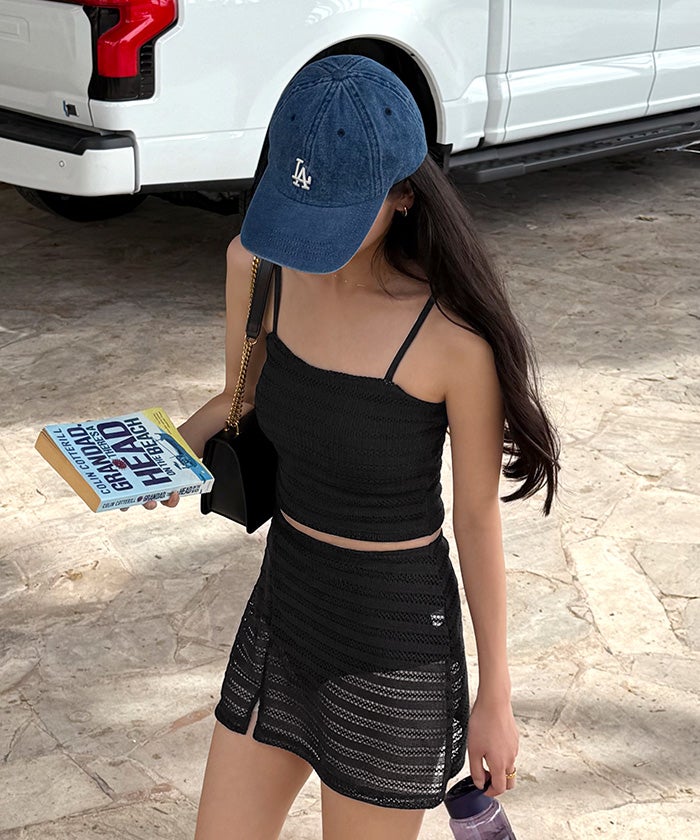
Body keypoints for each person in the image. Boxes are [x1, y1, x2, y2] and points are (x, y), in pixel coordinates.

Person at [144, 55, 560, 840]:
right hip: (286, 606)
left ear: (403, 196)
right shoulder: (257, 267)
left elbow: (476, 519)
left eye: (333, 213)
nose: (308, 238)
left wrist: (496, 695)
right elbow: (244, 394)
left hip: (392, 644)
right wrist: (163, 453)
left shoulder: (453, 341)